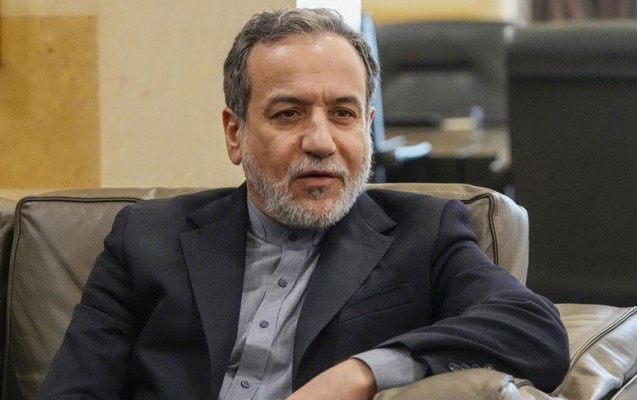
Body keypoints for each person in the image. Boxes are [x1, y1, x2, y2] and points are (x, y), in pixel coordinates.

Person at [40, 8, 569, 400]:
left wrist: (363, 373)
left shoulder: (424, 233)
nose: (320, 141)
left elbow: (533, 330)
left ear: (366, 127)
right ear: (235, 133)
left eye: (343, 114)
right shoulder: (145, 237)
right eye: (289, 113)